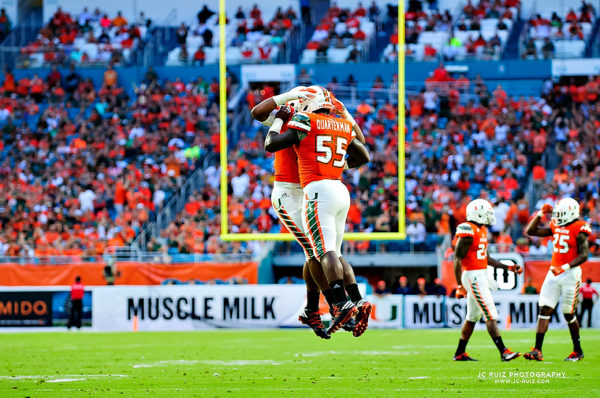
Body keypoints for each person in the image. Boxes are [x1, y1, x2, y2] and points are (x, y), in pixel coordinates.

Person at [252, 86, 372, 338]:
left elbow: (357, 143)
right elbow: (257, 112)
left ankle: (318, 308)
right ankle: (335, 304)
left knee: (318, 252)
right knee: (316, 251)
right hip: (290, 193)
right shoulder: (292, 114)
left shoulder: (308, 119)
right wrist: (287, 97)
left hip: (312, 189)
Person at [453, 199, 522, 362]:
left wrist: (508, 268)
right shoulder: (468, 229)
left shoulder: (481, 230)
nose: (490, 215)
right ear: (477, 213)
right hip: (473, 276)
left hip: (480, 274)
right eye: (487, 212)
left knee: (472, 317)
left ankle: (460, 353)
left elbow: (486, 258)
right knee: (490, 313)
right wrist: (459, 285)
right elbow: (457, 259)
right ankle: (504, 351)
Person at [524, 198, 591, 361]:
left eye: (562, 214)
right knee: (545, 309)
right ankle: (537, 350)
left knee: (568, 312)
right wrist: (540, 214)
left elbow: (584, 255)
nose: (558, 218)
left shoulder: (579, 227)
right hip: (554, 272)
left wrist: (565, 267)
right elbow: (531, 231)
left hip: (570, 273)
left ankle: (577, 350)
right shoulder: (556, 225)